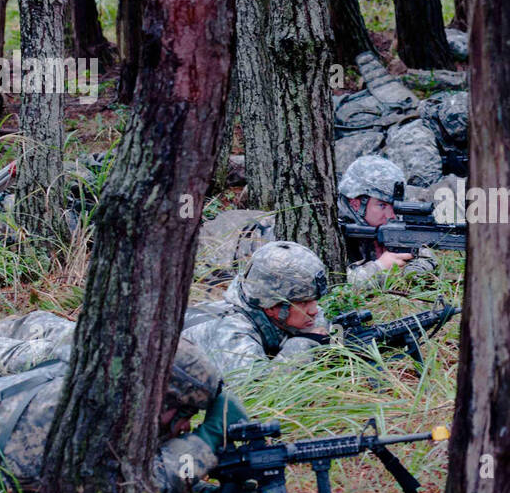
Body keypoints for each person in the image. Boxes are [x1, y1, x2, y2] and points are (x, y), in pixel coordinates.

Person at [0, 338, 249, 493]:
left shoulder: (100, 383)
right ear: (156, 399)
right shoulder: (90, 413)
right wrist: (207, 440)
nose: (184, 427)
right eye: (183, 414)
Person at [182, 240, 329, 375]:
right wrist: (302, 345)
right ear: (270, 307)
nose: (314, 310)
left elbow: (321, 325)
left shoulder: (282, 311)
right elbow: (258, 393)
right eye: (303, 303)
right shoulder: (229, 333)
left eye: (314, 300)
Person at [336, 155, 437, 289]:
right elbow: (334, 285)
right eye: (382, 205)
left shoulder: (388, 221)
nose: (392, 215)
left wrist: (414, 270)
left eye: (394, 205)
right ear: (355, 203)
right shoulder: (331, 230)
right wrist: (380, 267)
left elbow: (425, 255)